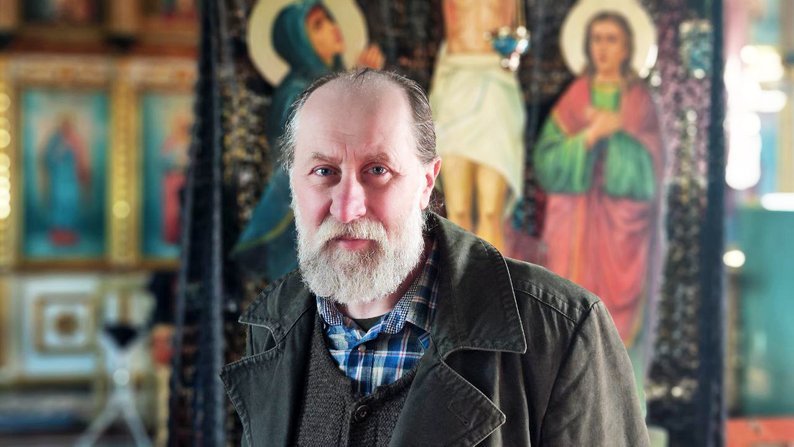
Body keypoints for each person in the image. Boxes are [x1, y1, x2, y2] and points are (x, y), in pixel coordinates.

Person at [221, 69, 648, 446]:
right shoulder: (272, 328)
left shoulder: (563, 332)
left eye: (378, 171)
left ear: (427, 183)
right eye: (323, 172)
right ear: (293, 184)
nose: (347, 207)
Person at [533, 11, 663, 343]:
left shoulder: (638, 100)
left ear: (627, 48)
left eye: (611, 40)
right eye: (596, 39)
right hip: (574, 223)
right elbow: (546, 162)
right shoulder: (576, 95)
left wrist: (617, 133)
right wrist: (588, 138)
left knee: (616, 323)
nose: (602, 48)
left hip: (622, 229)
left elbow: (652, 170)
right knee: (569, 310)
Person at [232, 0, 383, 281]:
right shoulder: (295, 91)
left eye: (329, 19)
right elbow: (317, 146)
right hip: (300, 219)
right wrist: (358, 91)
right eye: (318, 25)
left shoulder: (331, 84)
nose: (332, 27)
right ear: (298, 41)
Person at [429, 0, 526, 252]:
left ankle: (492, 278)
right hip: (455, 83)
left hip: (495, 86)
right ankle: (458, 278)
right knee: (457, 209)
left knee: (491, 212)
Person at [41, 114, 90, 246]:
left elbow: (81, 160)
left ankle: (70, 232)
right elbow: (47, 158)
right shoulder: (54, 140)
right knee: (58, 205)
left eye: (68, 126)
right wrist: (59, 151)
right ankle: (58, 234)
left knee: (71, 204)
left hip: (72, 180)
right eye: (64, 126)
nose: (66, 128)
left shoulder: (76, 140)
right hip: (58, 179)